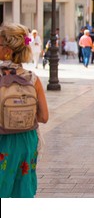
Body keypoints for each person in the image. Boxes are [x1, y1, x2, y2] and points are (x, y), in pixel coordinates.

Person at [0, 23, 49, 197]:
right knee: (22, 190)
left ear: (7, 50)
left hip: (2, 141)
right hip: (26, 141)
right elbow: (44, 117)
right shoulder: (32, 79)